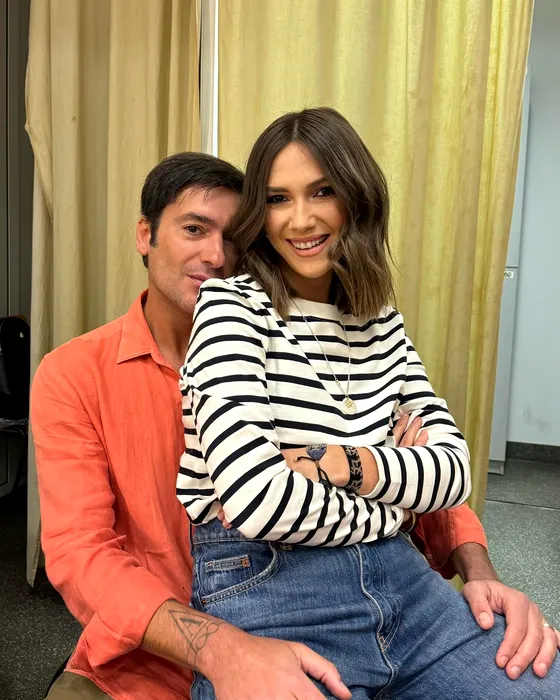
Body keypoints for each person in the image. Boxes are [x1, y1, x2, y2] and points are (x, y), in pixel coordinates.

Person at [31, 152, 558, 700]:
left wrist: (481, 574)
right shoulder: (75, 374)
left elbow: (429, 469)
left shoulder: (311, 337)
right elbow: (81, 554)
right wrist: (221, 649)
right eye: (194, 230)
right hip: (159, 651)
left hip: (367, 591)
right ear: (146, 235)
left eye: (235, 238)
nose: (217, 256)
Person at [177, 109, 560, 700]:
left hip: (407, 588)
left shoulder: (381, 322)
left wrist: (343, 463)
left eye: (322, 191)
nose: (300, 219)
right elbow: (257, 502)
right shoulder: (229, 309)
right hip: (271, 590)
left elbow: (454, 473)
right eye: (278, 199)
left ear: (356, 198)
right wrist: (395, 502)